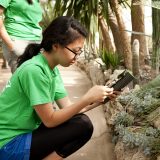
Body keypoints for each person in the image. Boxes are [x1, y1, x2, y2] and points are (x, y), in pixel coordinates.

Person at [0, 16, 118, 160]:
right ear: (56, 45)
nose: (76, 56)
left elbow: (68, 108)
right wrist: (87, 97)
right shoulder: (35, 71)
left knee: (81, 124)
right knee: (82, 125)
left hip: (24, 135)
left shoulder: (51, 69)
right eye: (75, 51)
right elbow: (50, 120)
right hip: (8, 144)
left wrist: (99, 100)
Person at [0, 0, 42, 73]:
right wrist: (11, 45)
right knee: (24, 79)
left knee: (38, 78)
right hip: (17, 39)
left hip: (37, 41)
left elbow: (35, 20)